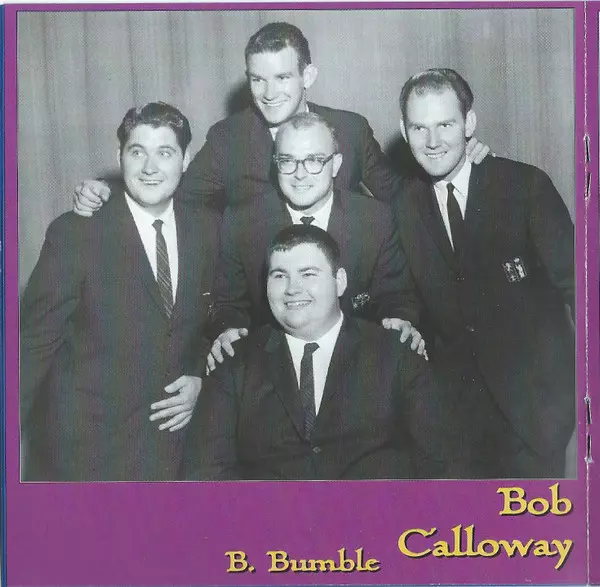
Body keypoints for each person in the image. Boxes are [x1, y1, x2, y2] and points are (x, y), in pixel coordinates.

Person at [72, 22, 488, 215]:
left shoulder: (350, 128)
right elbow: (176, 197)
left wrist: (461, 165)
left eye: (283, 78)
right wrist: (112, 194)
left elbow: (400, 196)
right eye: (258, 79)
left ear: (308, 76)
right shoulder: (227, 138)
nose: (269, 93)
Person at [20, 102, 220, 481]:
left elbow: (210, 324)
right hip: (90, 457)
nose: (150, 167)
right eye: (137, 152)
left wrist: (200, 380)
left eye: (165, 153)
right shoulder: (76, 233)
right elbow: (32, 346)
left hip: (178, 454)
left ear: (185, 159)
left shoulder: (207, 229)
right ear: (119, 157)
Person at [391, 68, 575, 478]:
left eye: (445, 124)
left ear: (469, 123)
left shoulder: (524, 186)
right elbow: (406, 296)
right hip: (455, 429)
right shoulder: (402, 207)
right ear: (404, 131)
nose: (433, 141)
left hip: (535, 421)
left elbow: (580, 288)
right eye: (420, 128)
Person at [185, 225, 459, 480]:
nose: (292, 289)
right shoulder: (235, 362)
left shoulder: (395, 353)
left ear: (340, 281)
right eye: (279, 276)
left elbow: (444, 465)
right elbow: (206, 474)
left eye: (308, 274)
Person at [207, 112, 423, 369]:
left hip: (357, 363)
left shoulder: (374, 219)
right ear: (275, 164)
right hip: (274, 366)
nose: (300, 174)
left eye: (314, 160)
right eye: (287, 161)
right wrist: (229, 328)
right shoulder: (242, 221)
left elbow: (396, 296)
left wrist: (399, 319)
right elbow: (229, 303)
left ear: (336, 164)